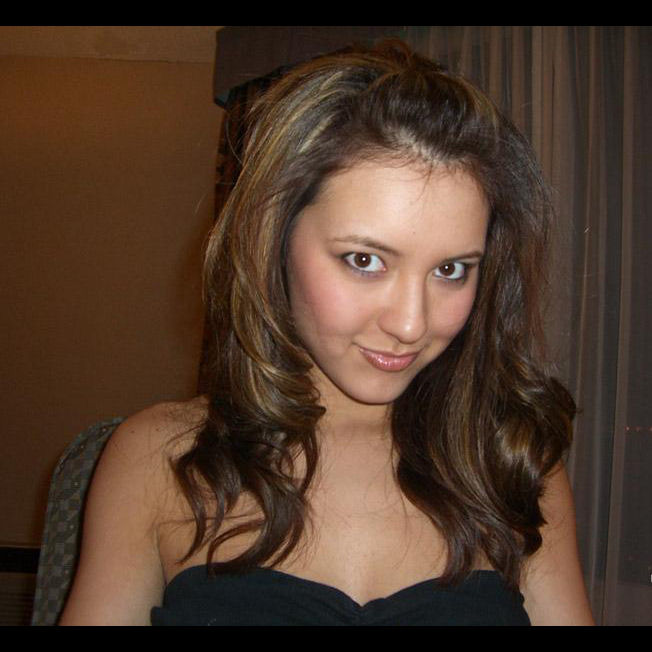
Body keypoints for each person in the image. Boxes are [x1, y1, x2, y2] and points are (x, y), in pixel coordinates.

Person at [59, 40, 595, 625]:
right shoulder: (159, 458)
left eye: (450, 270)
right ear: (273, 238)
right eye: (365, 260)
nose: (411, 324)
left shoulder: (512, 461)